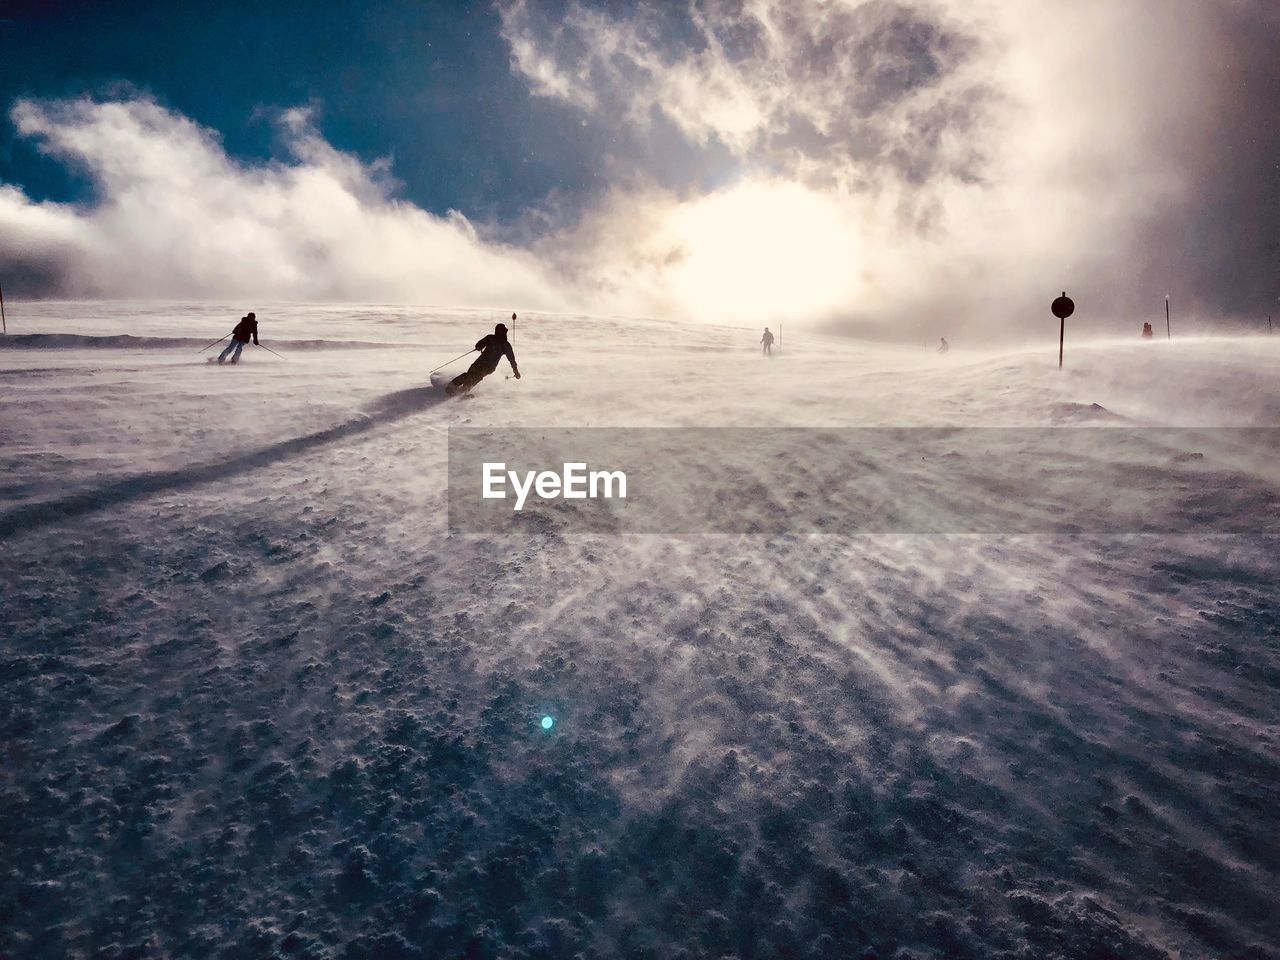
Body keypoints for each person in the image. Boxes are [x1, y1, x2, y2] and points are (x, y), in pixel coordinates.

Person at [447, 320, 520, 396]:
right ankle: (455, 388)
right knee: (472, 375)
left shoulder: (500, 342)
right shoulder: (498, 341)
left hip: (487, 365)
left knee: (474, 376)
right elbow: (479, 344)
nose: (499, 333)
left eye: (500, 331)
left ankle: (459, 390)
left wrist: (516, 371)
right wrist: (479, 346)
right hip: (485, 364)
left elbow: (512, 360)